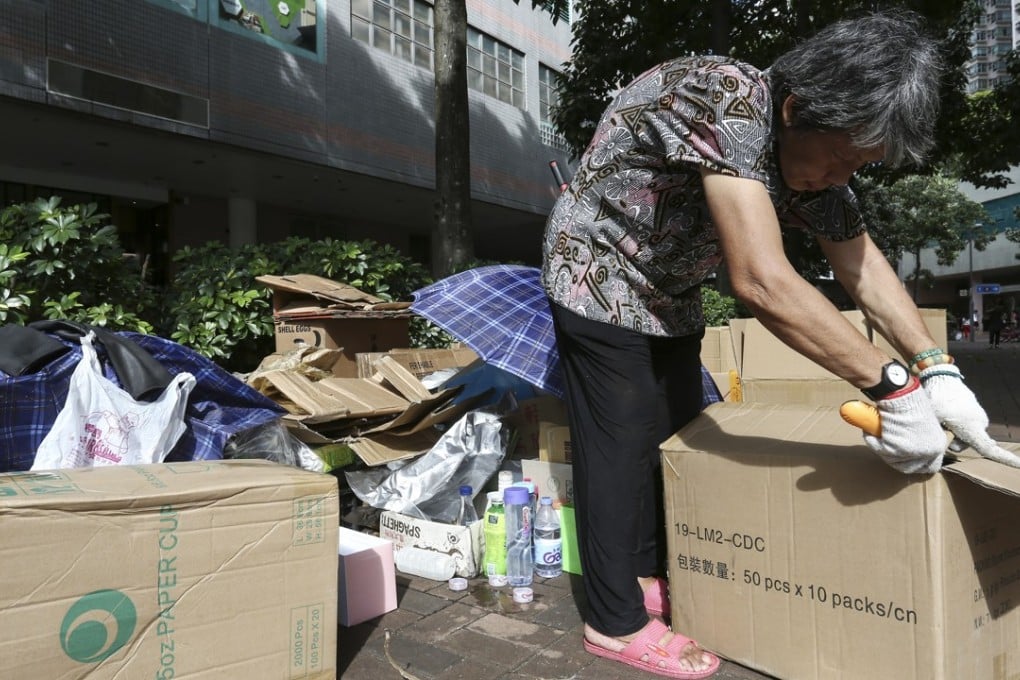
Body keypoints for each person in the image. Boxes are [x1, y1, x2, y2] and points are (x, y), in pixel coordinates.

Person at [541, 11, 1013, 680]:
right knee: (617, 438)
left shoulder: (808, 160)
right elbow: (761, 280)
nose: (842, 175)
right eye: (844, 158)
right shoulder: (725, 99)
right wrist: (894, 389)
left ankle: (643, 576)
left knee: (672, 433)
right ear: (795, 109)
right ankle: (612, 622)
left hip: (669, 289)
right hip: (598, 271)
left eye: (860, 164)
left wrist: (938, 371)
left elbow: (864, 268)